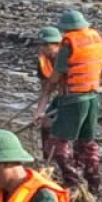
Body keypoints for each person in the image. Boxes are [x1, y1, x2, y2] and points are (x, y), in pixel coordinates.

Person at [40, 9, 102, 191]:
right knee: (87, 141)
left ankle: (72, 181)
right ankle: (94, 182)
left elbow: (57, 75)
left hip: (73, 98)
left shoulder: (69, 43)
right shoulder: (96, 37)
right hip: (92, 96)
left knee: (58, 142)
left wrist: (50, 90)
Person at [29, 26, 62, 161]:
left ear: (57, 44)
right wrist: (39, 112)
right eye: (42, 45)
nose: (44, 48)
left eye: (48, 45)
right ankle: (47, 159)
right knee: (45, 123)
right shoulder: (43, 61)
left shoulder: (68, 57)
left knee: (63, 132)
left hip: (75, 96)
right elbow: (45, 91)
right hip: (61, 96)